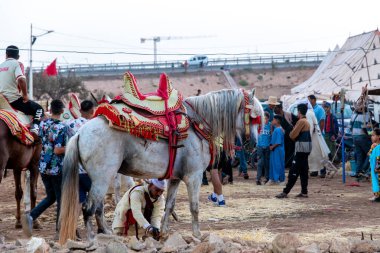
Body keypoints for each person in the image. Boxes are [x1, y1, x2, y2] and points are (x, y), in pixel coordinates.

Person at [21, 99, 67, 237]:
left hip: (43, 167)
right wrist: (72, 146)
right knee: (61, 199)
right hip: (56, 168)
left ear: (50, 110)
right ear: (63, 111)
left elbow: (38, 138)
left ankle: (30, 216)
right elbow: (58, 151)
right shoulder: (62, 127)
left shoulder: (42, 124)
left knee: (51, 197)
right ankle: (59, 231)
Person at [0, 45, 44, 135]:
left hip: (1, 101)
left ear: (6, 55)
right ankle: (34, 129)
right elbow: (21, 79)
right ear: (18, 56)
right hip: (13, 100)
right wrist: (25, 95)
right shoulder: (17, 64)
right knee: (39, 109)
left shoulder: (0, 66)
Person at [276, 103, 312, 198]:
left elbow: (292, 135)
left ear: (299, 112)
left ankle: (285, 192)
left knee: (293, 171)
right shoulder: (306, 121)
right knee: (304, 171)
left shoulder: (301, 122)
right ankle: (304, 192)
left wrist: (291, 129)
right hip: (306, 149)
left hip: (300, 149)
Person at [66, 100, 95, 205]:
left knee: (80, 199)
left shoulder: (69, 124)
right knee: (95, 199)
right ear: (92, 110)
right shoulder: (94, 125)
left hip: (75, 169)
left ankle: (81, 220)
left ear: (80, 110)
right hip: (89, 170)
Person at [274, 102, 298, 168]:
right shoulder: (275, 117)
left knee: (290, 152)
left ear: (280, 108)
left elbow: (298, 121)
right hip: (281, 138)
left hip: (290, 138)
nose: (274, 109)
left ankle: (289, 165)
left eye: (276, 108)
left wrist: (294, 129)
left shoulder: (288, 115)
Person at [350, 107, 371, 177]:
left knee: (359, 155)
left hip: (354, 137)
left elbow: (350, 126)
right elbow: (366, 128)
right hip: (362, 136)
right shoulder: (366, 115)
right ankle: (363, 169)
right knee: (370, 153)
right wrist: (369, 135)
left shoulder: (353, 115)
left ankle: (357, 171)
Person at [268, 115, 285, 184]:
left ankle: (277, 179)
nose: (272, 121)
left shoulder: (278, 129)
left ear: (277, 121)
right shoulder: (278, 128)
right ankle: (274, 178)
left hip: (277, 150)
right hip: (277, 150)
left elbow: (278, 142)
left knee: (277, 164)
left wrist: (272, 147)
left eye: (273, 120)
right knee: (275, 164)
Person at [256, 112, 271, 185]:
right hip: (260, 146)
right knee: (260, 163)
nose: (264, 120)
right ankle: (258, 179)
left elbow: (271, 134)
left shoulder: (270, 125)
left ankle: (267, 178)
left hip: (267, 146)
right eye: (263, 118)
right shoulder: (259, 125)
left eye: (265, 118)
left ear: (268, 118)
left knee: (267, 163)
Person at [369, 128, 380, 202]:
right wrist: (372, 148)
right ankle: (377, 196)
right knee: (375, 181)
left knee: (378, 181)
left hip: (377, 168)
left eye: (373, 135)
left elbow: (379, 158)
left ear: (378, 136)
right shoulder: (374, 146)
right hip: (374, 168)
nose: (371, 137)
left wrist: (377, 168)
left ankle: (378, 196)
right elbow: (369, 154)